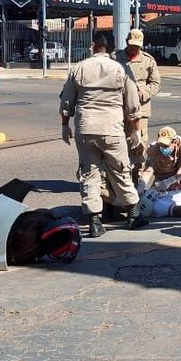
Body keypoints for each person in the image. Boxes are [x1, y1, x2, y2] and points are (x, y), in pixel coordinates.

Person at [59, 33, 142, 238]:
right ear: (113, 48)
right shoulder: (121, 69)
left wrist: (64, 125)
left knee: (89, 174)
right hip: (112, 129)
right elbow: (132, 103)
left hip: (86, 128)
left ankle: (95, 221)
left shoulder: (79, 68)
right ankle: (133, 214)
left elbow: (67, 100)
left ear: (93, 46)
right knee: (121, 170)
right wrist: (136, 130)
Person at [113, 28, 161, 181]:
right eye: (132, 45)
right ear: (127, 42)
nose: (135, 48)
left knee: (138, 143)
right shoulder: (115, 57)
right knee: (119, 142)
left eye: (138, 46)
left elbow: (155, 83)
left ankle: (136, 177)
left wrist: (144, 93)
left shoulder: (148, 60)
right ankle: (119, 176)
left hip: (141, 109)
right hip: (119, 108)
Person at [138, 126, 181, 193]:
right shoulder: (153, 149)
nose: (163, 147)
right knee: (154, 195)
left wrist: (170, 181)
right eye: (161, 144)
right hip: (163, 173)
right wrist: (142, 183)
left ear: (174, 141)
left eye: (166, 145)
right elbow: (149, 169)